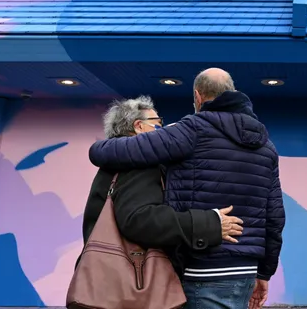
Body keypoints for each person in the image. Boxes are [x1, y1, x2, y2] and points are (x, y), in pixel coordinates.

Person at [87, 69, 284, 309]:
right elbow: (275, 217)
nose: (161, 127)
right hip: (245, 271)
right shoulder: (266, 146)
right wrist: (264, 272)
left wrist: (97, 148)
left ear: (198, 97)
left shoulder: (192, 129)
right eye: (157, 123)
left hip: (201, 269)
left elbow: (116, 152)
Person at [80, 96, 243, 271]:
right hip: (133, 283)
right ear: (139, 126)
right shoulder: (138, 163)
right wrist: (207, 224)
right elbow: (140, 219)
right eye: (158, 123)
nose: (163, 130)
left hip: (108, 275)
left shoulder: (114, 163)